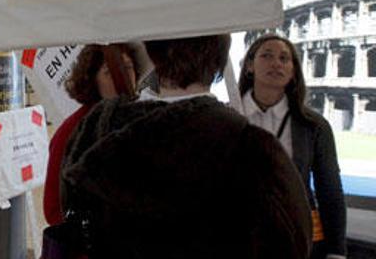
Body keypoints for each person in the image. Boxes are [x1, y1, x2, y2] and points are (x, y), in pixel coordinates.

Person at [60, 35, 312, 259]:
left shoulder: (93, 132)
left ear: (150, 51)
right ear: (220, 60)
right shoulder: (254, 149)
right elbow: (290, 242)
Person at [239, 34, 346, 259]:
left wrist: (336, 251)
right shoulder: (228, 117)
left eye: (284, 58)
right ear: (249, 66)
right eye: (266, 55)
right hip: (238, 236)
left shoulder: (314, 126)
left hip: (295, 237)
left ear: (293, 71)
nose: (276, 63)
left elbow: (330, 190)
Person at [43, 43, 140, 226]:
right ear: (92, 79)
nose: (122, 77)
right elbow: (54, 208)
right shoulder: (72, 131)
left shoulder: (140, 119)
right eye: (109, 73)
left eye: (128, 67)